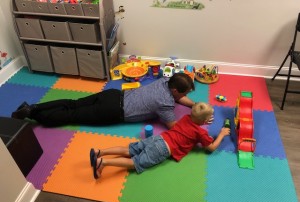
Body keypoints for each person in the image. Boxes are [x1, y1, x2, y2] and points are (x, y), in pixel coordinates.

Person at [90, 102, 230, 179]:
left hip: (158, 138)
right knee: (136, 162)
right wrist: (222, 134)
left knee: (129, 149)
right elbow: (210, 148)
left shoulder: (186, 118)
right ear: (205, 121)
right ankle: (104, 162)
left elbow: (192, 125)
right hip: (163, 149)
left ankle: (99, 152)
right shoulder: (200, 132)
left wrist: (202, 120)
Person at [11, 73, 197, 129]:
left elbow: (181, 98)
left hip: (113, 95)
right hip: (113, 112)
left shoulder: (166, 80)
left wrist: (195, 105)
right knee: (71, 115)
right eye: (184, 93)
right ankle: (34, 114)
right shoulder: (165, 104)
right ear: (174, 91)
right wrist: (198, 118)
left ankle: (34, 106)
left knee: (72, 102)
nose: (185, 97)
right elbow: (176, 127)